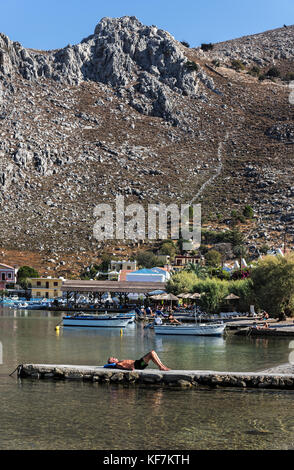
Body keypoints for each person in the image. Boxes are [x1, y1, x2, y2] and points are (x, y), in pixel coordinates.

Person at [105, 350, 170, 371]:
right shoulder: (118, 364)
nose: (114, 358)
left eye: (113, 357)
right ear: (113, 362)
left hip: (139, 364)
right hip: (138, 365)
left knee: (152, 353)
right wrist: (129, 368)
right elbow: (122, 367)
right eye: (113, 359)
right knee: (151, 353)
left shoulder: (119, 362)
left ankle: (162, 366)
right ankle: (161, 367)